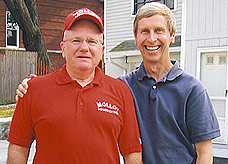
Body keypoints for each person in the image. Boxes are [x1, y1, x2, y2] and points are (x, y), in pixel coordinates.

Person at [16, 2, 221, 164]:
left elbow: (204, 153)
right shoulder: (125, 86)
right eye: (144, 32)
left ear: (172, 36)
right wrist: (32, 87)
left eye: (159, 31)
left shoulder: (192, 89)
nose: (151, 39)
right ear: (135, 38)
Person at [7, 7, 142, 164]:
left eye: (92, 41)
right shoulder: (33, 90)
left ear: (102, 50)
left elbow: (132, 152)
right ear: (63, 48)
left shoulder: (121, 91)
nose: (84, 47)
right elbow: (18, 147)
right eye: (76, 40)